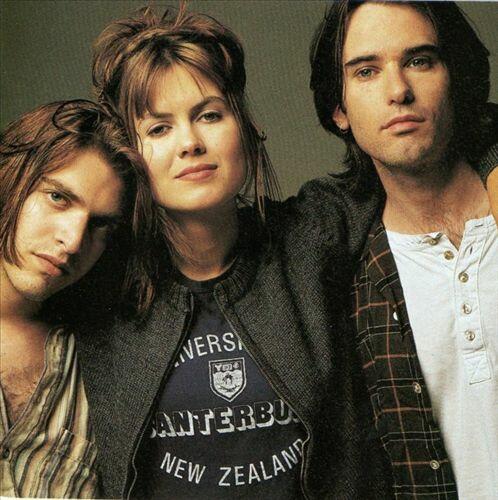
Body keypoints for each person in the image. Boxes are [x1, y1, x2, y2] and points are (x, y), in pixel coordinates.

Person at [78, 4, 497, 499]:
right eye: (158, 128)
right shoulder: (99, 279)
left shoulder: (310, 236)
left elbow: (413, 143)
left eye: (209, 115)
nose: (190, 142)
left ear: (245, 127)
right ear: (130, 153)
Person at [310, 1, 498, 498]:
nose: (398, 90)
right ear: (339, 109)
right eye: (366, 71)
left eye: (420, 60)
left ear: (455, 77)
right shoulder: (347, 276)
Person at [0, 100, 153, 498]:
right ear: (11, 178)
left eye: (100, 225)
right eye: (58, 198)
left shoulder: (100, 363)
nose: (72, 241)